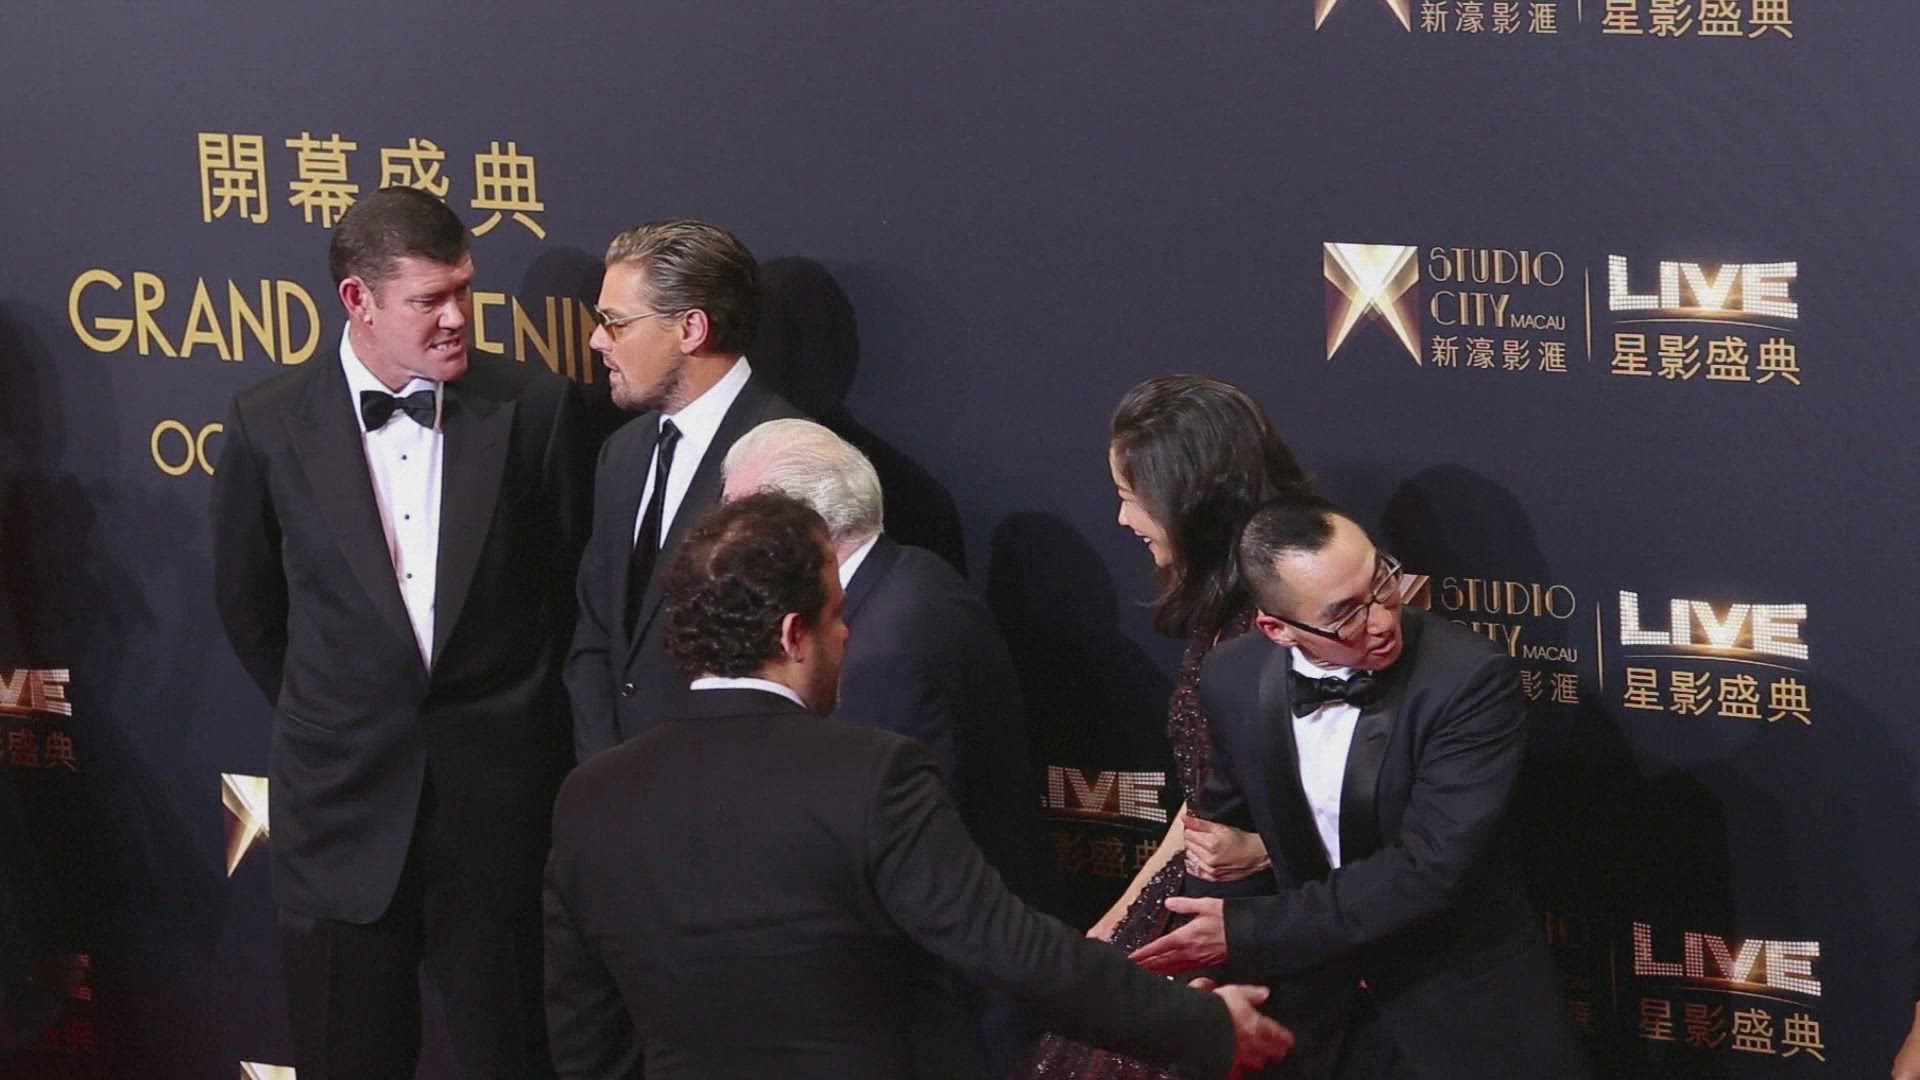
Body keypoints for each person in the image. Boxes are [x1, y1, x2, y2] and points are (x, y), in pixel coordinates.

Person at [542, 493, 1294, 1079]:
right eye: (837, 613)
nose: (847, 634)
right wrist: (1201, 1026)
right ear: (792, 635)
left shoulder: (590, 798)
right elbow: (1014, 952)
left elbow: (585, 1036)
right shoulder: (870, 776)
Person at [210, 187, 590, 1080]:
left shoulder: (536, 408)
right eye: (431, 299)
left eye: (465, 290)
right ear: (359, 300)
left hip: (498, 825)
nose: (457, 318)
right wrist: (352, 709)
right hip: (341, 821)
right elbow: (253, 612)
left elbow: (572, 599)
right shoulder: (267, 423)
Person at [1130, 494, 1591, 1079]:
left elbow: (1429, 869)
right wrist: (1216, 979)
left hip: (1454, 1006)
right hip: (1308, 1017)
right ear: (1276, 629)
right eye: (1345, 614)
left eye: (1382, 582)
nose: (1381, 620)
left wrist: (1249, 933)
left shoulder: (1467, 678)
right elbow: (1223, 845)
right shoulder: (1233, 676)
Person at [722, 418, 1058, 1076]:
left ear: (804, 529)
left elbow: (900, 865)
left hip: (951, 1015)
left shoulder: (882, 652)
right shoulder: (913, 577)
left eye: (739, 521)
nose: (723, 544)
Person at [1015, 375, 1311, 1078]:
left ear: (1192, 499)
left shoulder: (1288, 623)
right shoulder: (1222, 605)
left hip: (1265, 929)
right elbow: (1203, 805)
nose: (1122, 519)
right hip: (1189, 896)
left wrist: (1268, 850)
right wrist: (1115, 924)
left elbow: (1360, 798)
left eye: (1131, 496)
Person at [564, 219, 803, 761]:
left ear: (691, 329)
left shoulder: (786, 456)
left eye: (615, 323)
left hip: (725, 778)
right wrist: (606, 767)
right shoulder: (622, 452)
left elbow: (784, 663)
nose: (597, 340)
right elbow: (596, 632)